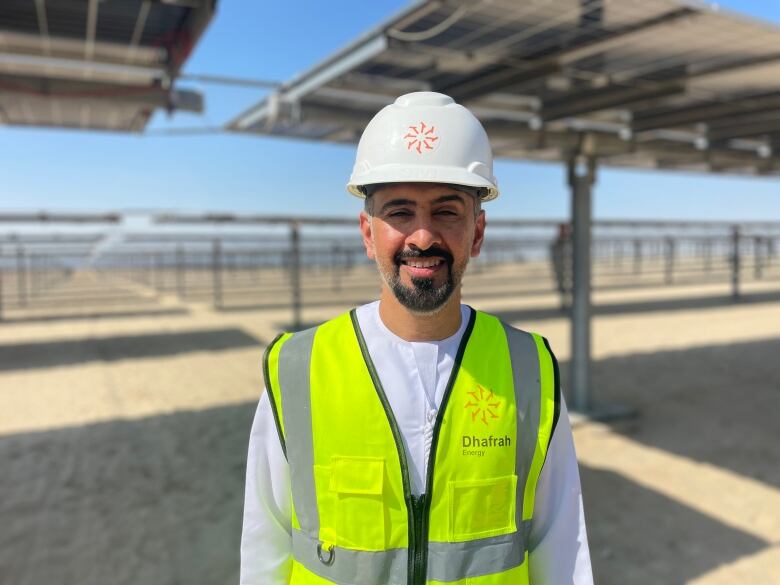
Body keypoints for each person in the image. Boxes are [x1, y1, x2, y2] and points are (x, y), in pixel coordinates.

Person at [240, 92, 594, 584]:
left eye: (447, 211)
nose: (422, 236)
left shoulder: (528, 369)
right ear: (368, 233)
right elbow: (264, 548)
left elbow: (563, 551)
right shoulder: (298, 369)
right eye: (400, 212)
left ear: (477, 231)